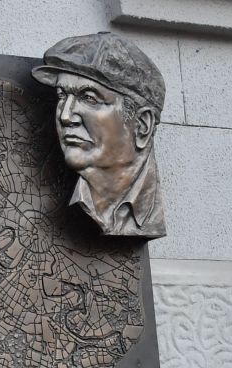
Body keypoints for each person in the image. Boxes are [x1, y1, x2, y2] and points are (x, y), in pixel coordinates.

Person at [31, 33, 167, 238]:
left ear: (141, 125)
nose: (66, 116)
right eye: (61, 95)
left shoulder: (148, 216)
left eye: (89, 98)